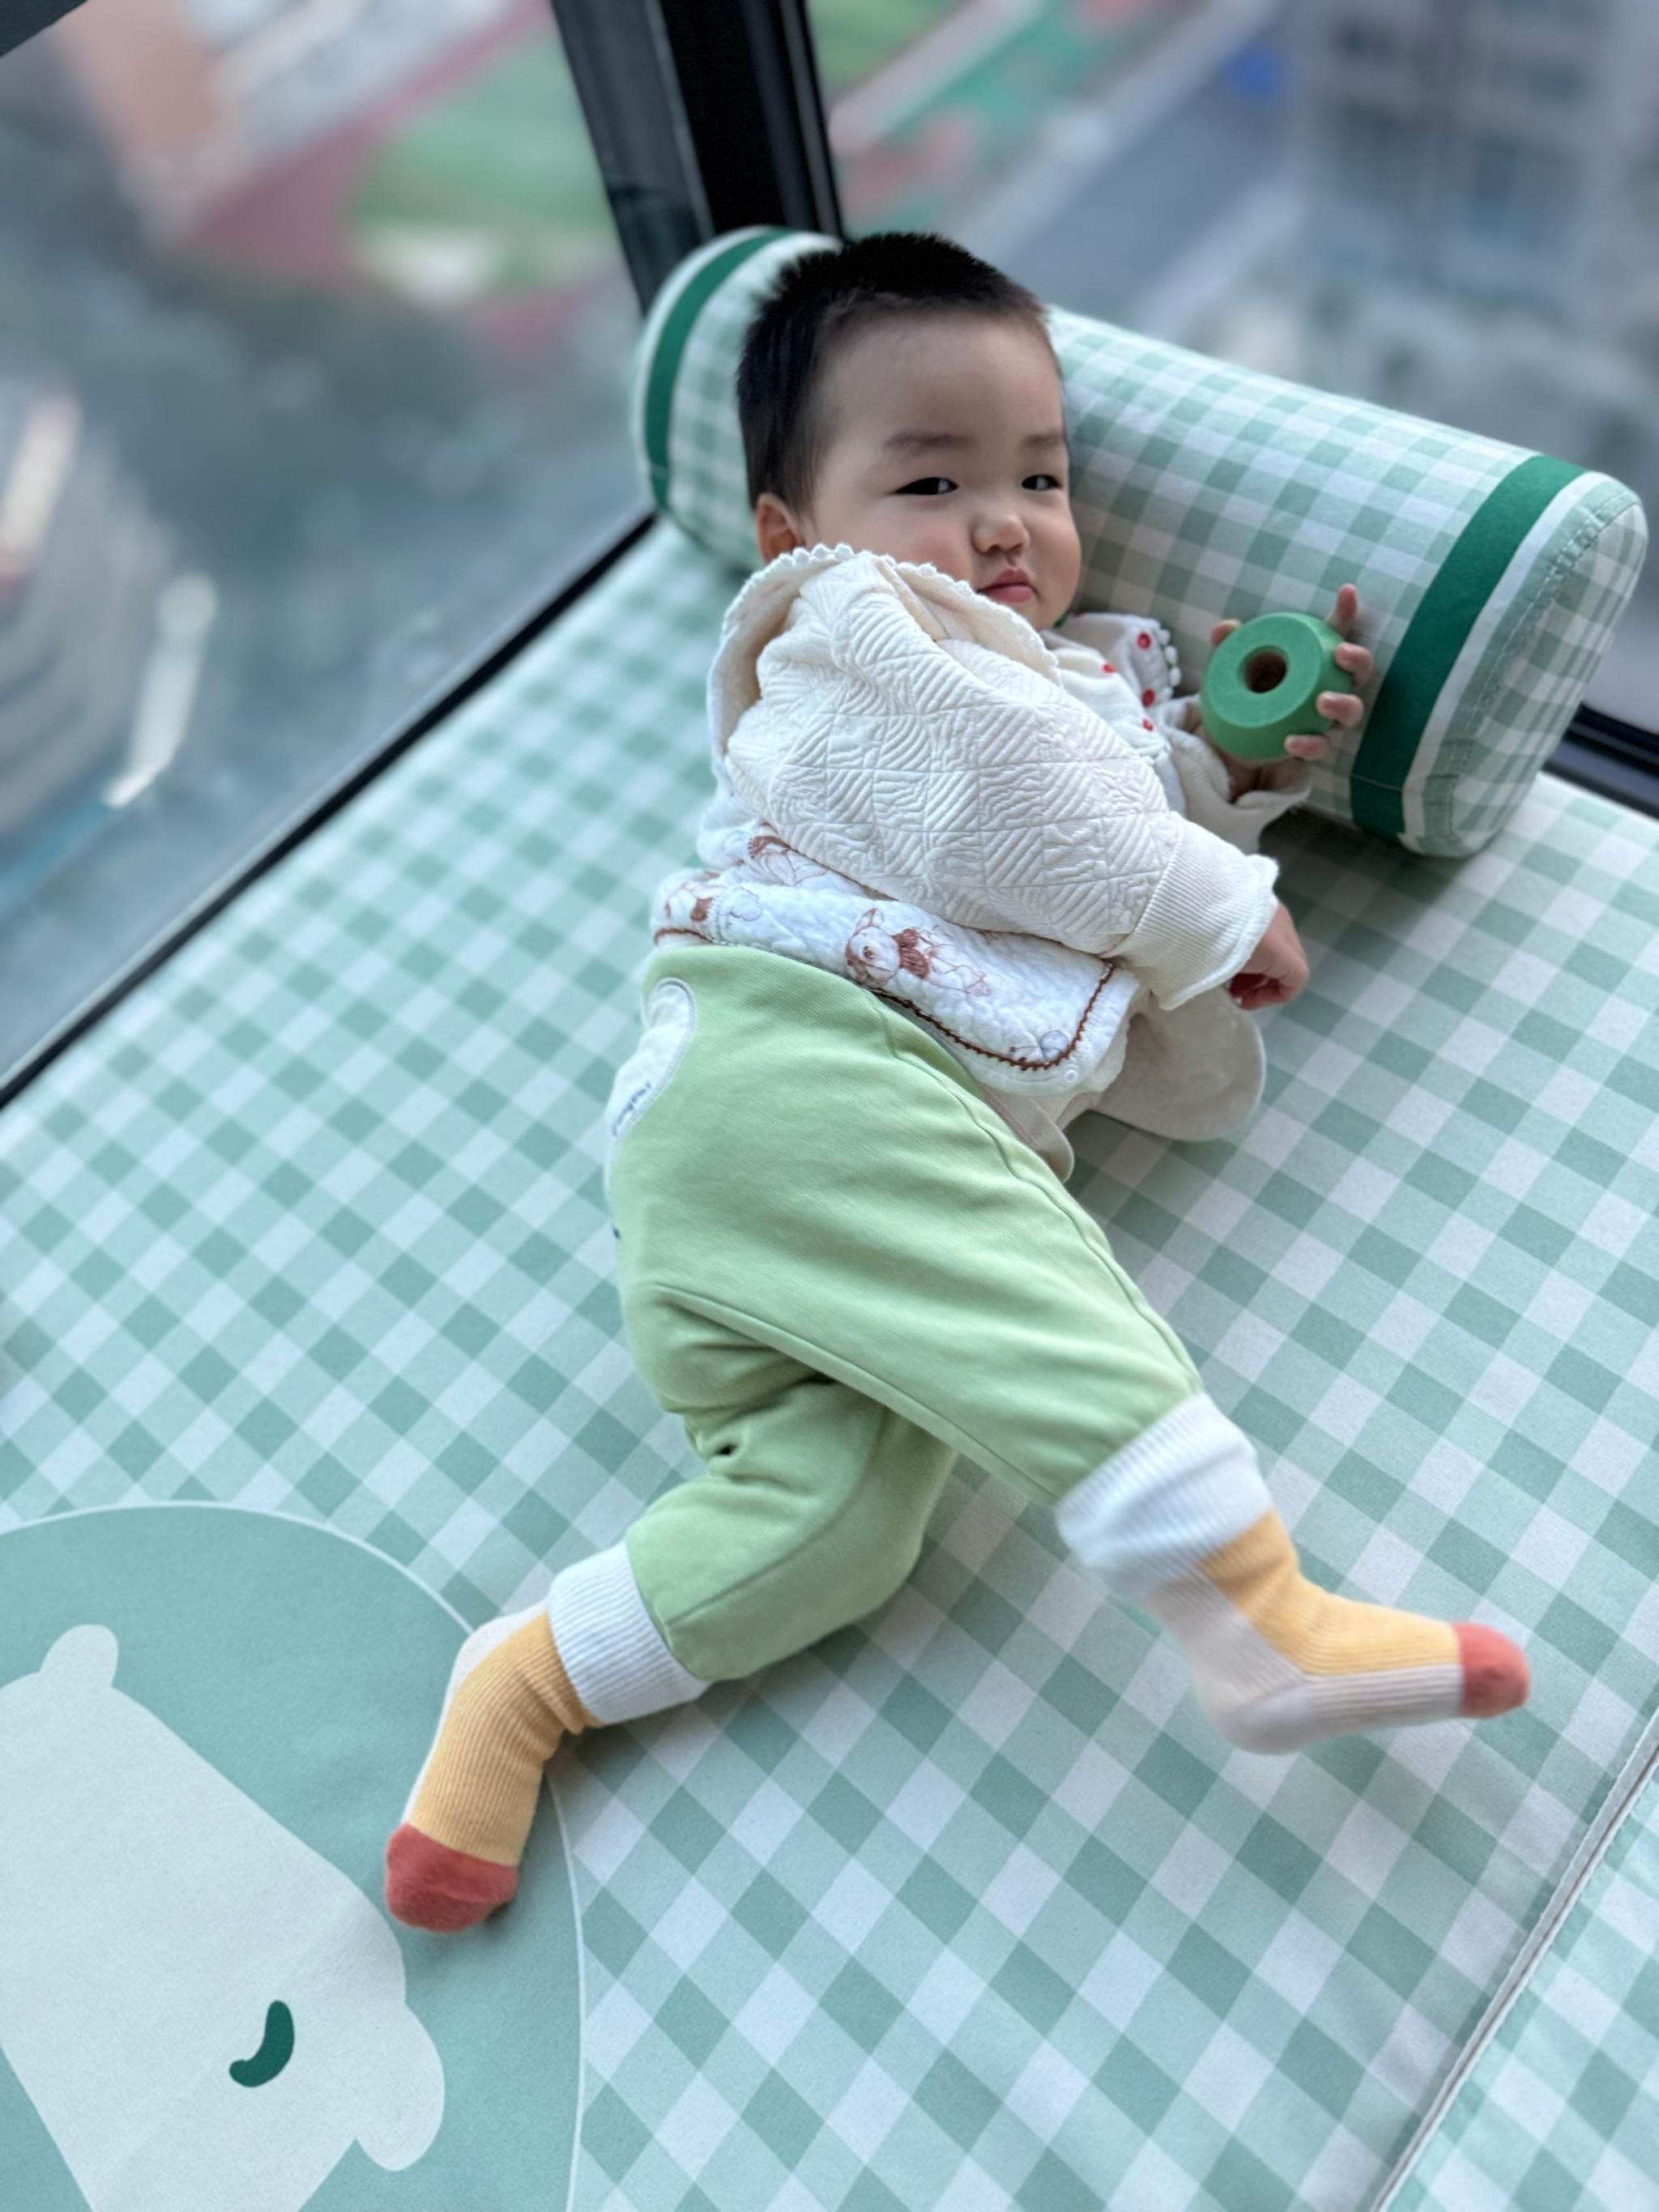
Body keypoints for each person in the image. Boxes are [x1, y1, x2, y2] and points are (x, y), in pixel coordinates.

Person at [386, 232, 1529, 1935]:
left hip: (745, 1170)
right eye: (931, 475)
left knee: (835, 1522)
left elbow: (1084, 836)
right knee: (1040, 1295)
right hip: (806, 1062)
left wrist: (1228, 774)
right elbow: (1011, 809)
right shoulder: (860, 630)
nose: (1003, 521)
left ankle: (527, 1682)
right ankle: (1255, 1612)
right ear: (793, 531)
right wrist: (1213, 905)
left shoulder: (1065, 687)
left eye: (1040, 475)